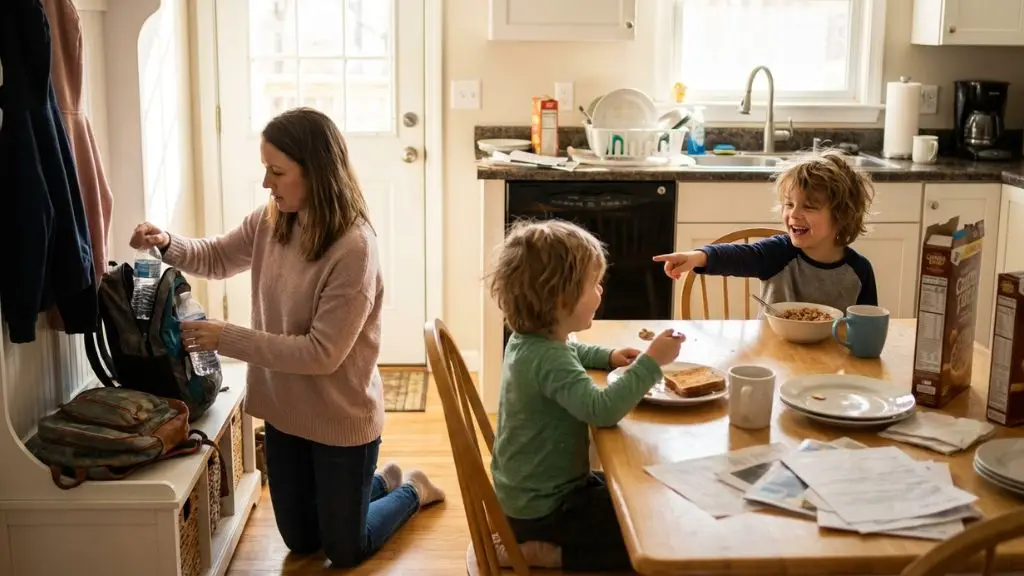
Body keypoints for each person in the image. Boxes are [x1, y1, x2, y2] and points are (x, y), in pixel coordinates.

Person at [128, 107, 444, 568]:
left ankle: (411, 487)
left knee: (344, 550)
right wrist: (166, 242)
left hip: (340, 418)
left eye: (277, 172)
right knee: (300, 541)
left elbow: (322, 354)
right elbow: (216, 257)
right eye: (266, 169)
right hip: (285, 411)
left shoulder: (354, 248)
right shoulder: (272, 218)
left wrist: (224, 337)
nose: (266, 183)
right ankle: (375, 484)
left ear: (316, 173)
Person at [486, 219, 685, 571]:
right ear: (562, 299)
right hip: (546, 509)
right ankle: (546, 554)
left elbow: (571, 351)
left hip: (530, 495)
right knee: (644, 535)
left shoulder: (531, 340)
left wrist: (606, 357)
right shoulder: (547, 357)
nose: (601, 292)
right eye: (594, 284)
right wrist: (652, 361)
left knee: (636, 494)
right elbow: (602, 409)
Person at [653, 150, 878, 312]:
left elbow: (867, 328)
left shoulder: (859, 271)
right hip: (772, 357)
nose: (794, 214)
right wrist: (697, 257)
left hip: (830, 367)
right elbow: (739, 256)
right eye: (789, 204)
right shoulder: (779, 253)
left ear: (841, 215)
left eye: (809, 206)